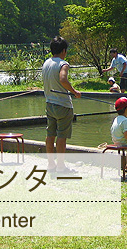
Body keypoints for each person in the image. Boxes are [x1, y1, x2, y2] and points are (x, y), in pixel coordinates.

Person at [42, 36, 81, 173]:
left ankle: (51, 165)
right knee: (61, 136)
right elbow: (63, 79)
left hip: (49, 104)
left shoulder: (46, 63)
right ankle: (60, 166)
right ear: (64, 50)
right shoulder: (63, 64)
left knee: (50, 134)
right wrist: (74, 91)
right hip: (63, 105)